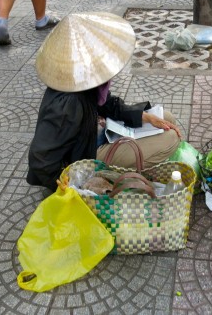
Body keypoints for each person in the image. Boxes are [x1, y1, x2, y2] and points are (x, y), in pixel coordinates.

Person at [27, 12, 181, 191]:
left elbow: (108, 105)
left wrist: (144, 116)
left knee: (166, 118)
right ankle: (114, 170)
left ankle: (135, 155)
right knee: (170, 139)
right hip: (85, 155)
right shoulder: (68, 103)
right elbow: (40, 160)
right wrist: (70, 187)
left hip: (95, 134)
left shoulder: (85, 79)